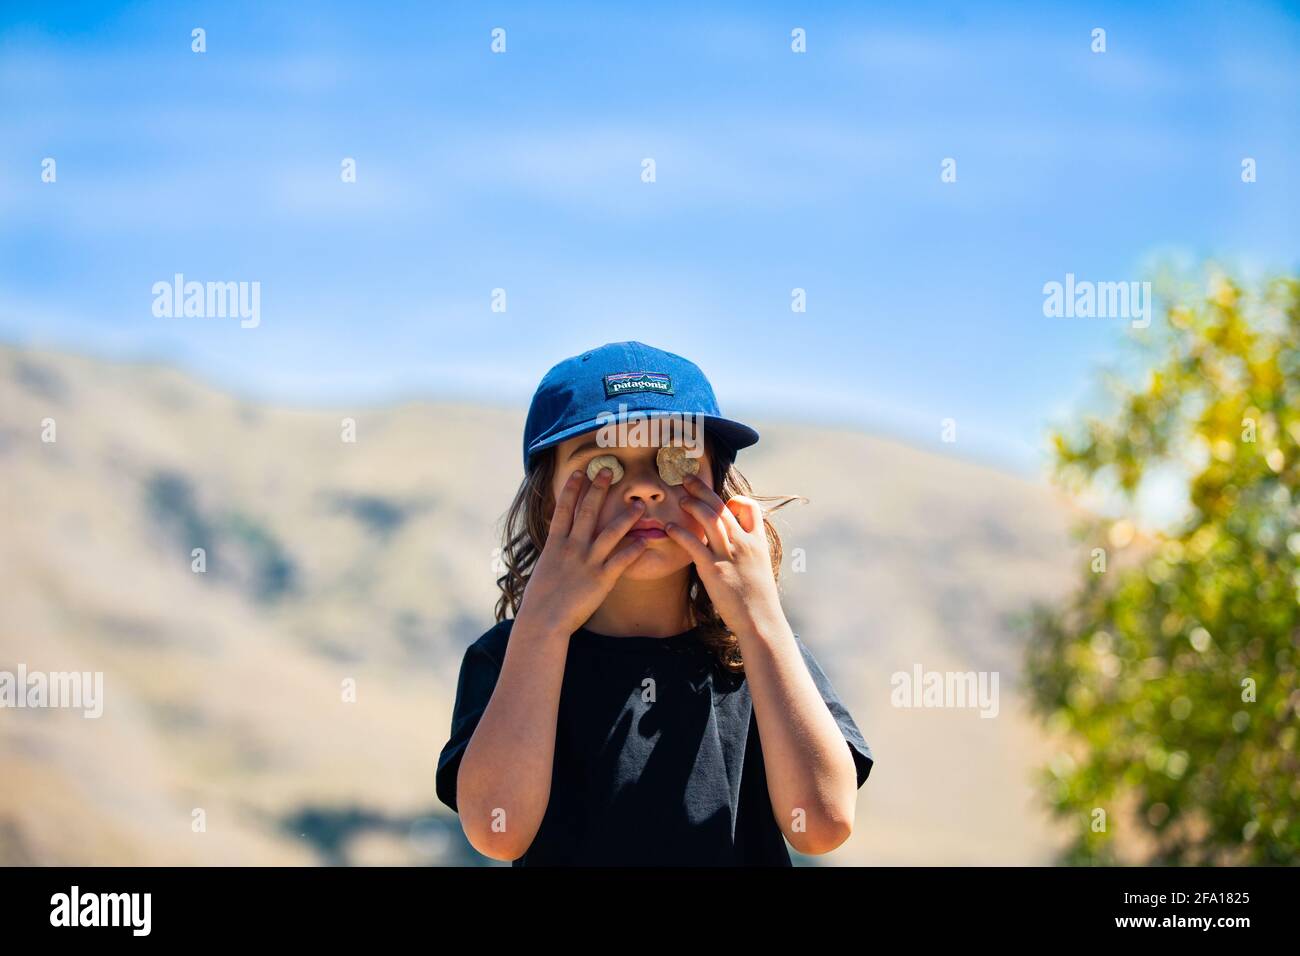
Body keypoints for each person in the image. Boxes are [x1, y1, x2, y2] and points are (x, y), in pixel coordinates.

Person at [434, 340, 873, 865]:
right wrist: (544, 627)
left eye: (674, 460)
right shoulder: (509, 656)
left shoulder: (759, 654)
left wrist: (760, 623)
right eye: (603, 466)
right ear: (547, 501)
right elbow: (496, 831)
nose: (643, 488)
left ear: (720, 485)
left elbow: (822, 825)